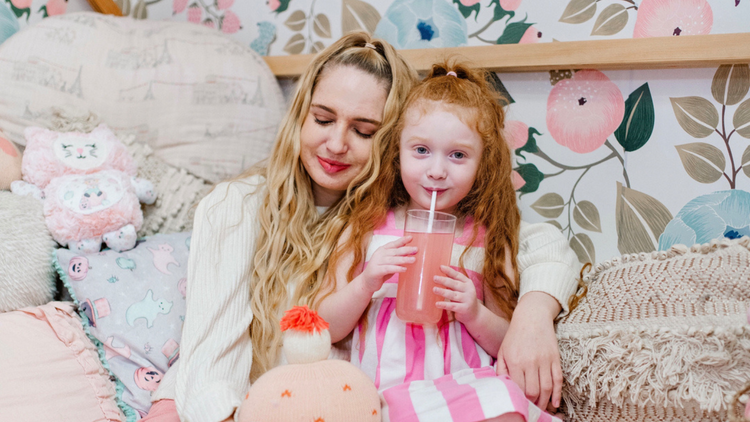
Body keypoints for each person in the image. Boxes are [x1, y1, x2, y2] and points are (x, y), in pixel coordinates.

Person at [142, 32, 578, 422]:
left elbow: (537, 243)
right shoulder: (237, 206)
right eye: (323, 119)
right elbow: (211, 354)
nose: (336, 144)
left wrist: (533, 317)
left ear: (391, 140)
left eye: (364, 130)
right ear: (300, 116)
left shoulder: (396, 209)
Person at [317, 61, 563, 422]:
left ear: (482, 164)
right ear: (396, 151)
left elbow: (507, 342)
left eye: (458, 155)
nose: (436, 170)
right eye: (420, 151)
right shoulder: (366, 227)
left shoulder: (487, 238)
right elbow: (326, 327)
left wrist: (473, 313)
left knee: (503, 401)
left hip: (461, 391)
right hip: (382, 393)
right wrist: (366, 282)